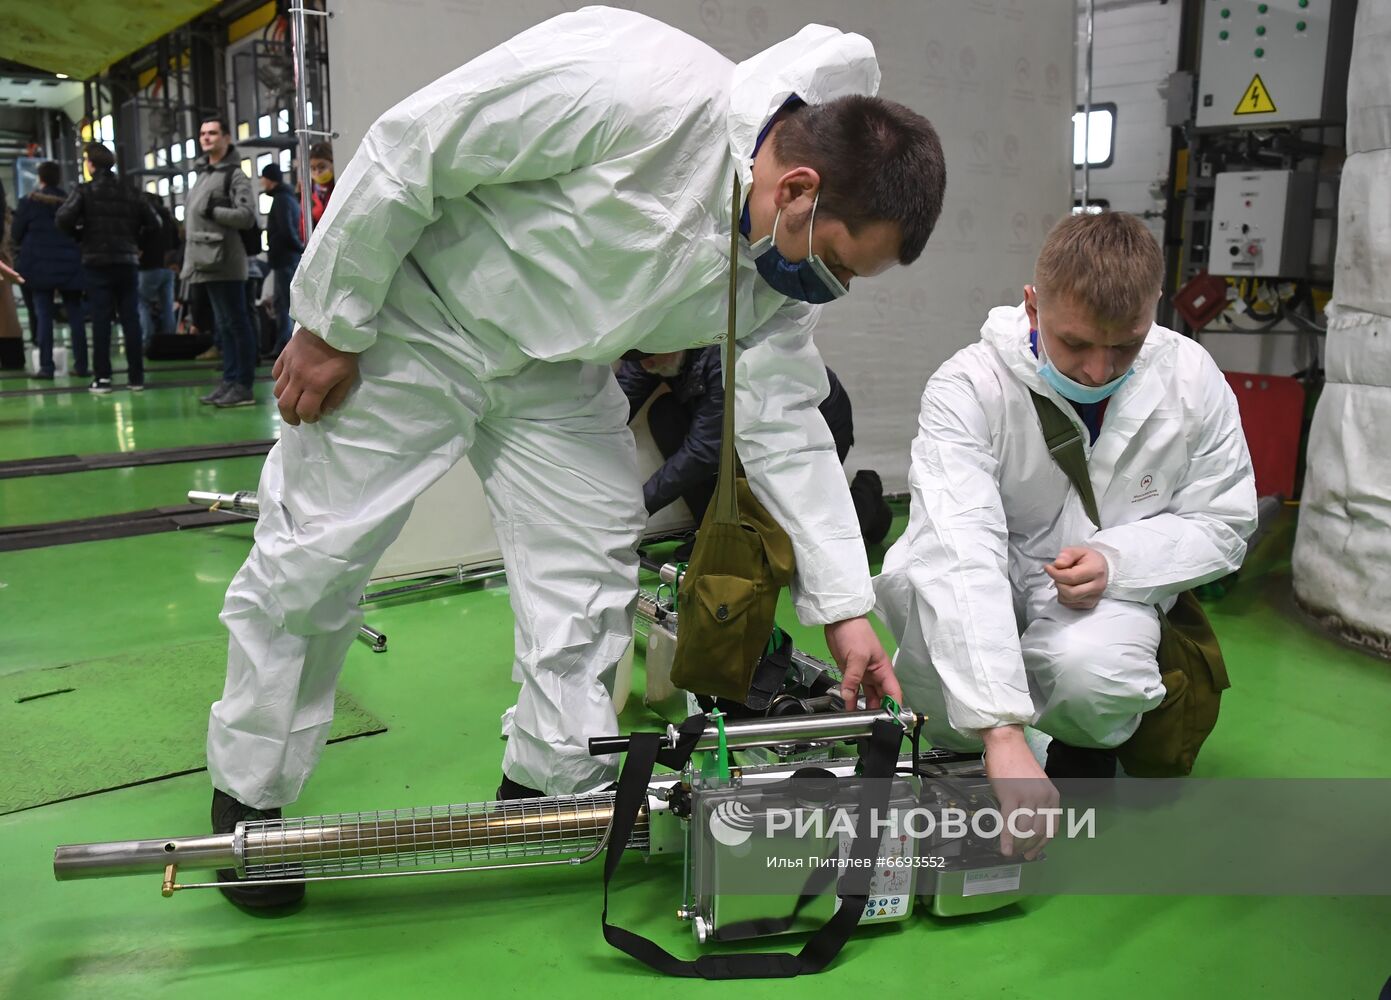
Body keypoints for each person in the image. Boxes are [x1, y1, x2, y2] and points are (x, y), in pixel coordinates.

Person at [208, 7, 947, 909]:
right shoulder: (629, 80)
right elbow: (414, 148)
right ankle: (248, 804)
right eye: (831, 260)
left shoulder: (776, 260)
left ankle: (547, 785)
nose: (821, 286)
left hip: (551, 370)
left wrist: (842, 608)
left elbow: (784, 419)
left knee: (589, 561)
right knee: (314, 560)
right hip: (417, 318)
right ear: (796, 186)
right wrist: (332, 318)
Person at [874, 213, 1257, 861]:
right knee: (919, 585)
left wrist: (1118, 561)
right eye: (1074, 343)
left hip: (1102, 587)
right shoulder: (968, 386)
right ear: (1032, 304)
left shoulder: (1189, 380)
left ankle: (1081, 742)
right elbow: (960, 548)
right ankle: (979, 747)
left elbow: (1223, 523)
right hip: (989, 562)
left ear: (1152, 311)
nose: (1096, 369)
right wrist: (998, 731)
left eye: (1125, 346)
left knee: (1091, 673)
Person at [616, 346, 893, 555]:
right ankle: (717, 534)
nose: (647, 363)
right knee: (666, 414)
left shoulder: (722, 353)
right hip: (746, 428)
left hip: (810, 428)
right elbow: (612, 410)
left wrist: (636, 508)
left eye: (652, 355)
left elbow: (703, 451)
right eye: (641, 357)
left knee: (797, 550)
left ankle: (867, 494)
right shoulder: (650, 349)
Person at [55, 143, 159, 393]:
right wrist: (137, 242)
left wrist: (80, 236)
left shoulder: (85, 191)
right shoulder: (130, 191)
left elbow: (62, 219)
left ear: (91, 164)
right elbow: (155, 223)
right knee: (130, 319)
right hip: (127, 262)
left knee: (101, 320)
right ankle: (136, 377)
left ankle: (102, 378)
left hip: (96, 263)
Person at [182, 115, 258, 407]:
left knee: (237, 323)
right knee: (223, 326)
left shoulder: (234, 175)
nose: (207, 138)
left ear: (226, 138)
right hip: (205, 261)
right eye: (203, 133)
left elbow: (247, 216)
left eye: (213, 133)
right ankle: (229, 380)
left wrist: (216, 213)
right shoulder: (204, 174)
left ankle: (244, 385)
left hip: (226, 261)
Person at [12, 161, 88, 379]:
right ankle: (82, 366)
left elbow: (16, 233)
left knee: (43, 315)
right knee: (75, 315)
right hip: (70, 265)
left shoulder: (28, 203)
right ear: (59, 178)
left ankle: (46, 367)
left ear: (40, 178)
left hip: (39, 266)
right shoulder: (71, 202)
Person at [259, 163, 304, 357]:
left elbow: (287, 230)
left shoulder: (282, 200)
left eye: (263, 177)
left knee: (285, 304)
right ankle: (285, 345)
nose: (261, 181)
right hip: (287, 258)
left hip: (286, 258)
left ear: (270, 179)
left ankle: (286, 347)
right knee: (284, 302)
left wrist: (299, 248)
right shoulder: (287, 197)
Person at [136, 191, 180, 351]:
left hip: (148, 266)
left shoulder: (145, 219)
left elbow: (140, 240)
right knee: (167, 305)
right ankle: (170, 339)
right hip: (168, 267)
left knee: (142, 303)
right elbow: (177, 241)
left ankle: (148, 341)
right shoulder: (169, 218)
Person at [306, 141, 334, 228]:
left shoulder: (340, 188)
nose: (317, 172)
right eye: (313, 168)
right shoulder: (309, 192)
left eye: (322, 167)